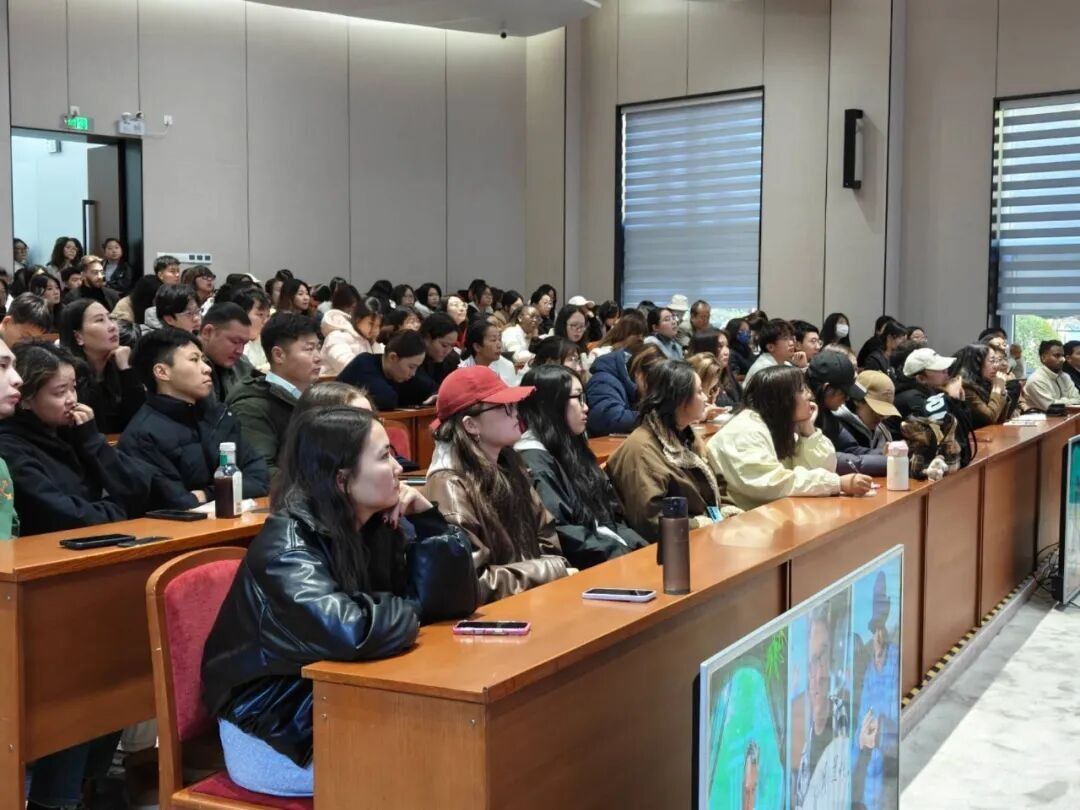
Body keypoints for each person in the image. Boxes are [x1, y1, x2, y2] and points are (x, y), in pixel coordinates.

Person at [202, 406, 476, 797]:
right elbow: (351, 632)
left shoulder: (374, 525)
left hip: (339, 703)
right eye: (384, 457)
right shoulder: (286, 547)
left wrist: (428, 519)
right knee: (444, 760)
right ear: (342, 479)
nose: (398, 468)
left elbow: (454, 602)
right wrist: (414, 607)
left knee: (470, 742)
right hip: (275, 730)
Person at [425, 366, 571, 602]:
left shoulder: (510, 463)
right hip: (494, 615)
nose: (516, 413)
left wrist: (549, 569)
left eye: (514, 404)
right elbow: (473, 581)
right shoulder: (448, 486)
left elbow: (546, 539)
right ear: (471, 425)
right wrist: (550, 570)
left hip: (531, 599)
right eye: (504, 407)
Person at [0, 341, 151, 533]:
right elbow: (60, 514)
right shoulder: (9, 446)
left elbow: (137, 489)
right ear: (26, 399)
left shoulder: (75, 431)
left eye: (73, 388)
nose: (72, 399)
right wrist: (119, 510)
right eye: (60, 392)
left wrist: (93, 441)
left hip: (104, 533)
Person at [120, 328, 270, 509]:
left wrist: (208, 493)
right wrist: (228, 491)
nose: (207, 369)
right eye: (194, 360)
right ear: (162, 372)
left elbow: (259, 478)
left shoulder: (219, 416)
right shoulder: (142, 436)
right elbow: (176, 501)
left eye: (203, 360)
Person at [516, 365, 648, 567]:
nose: (586, 407)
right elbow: (563, 533)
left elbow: (608, 518)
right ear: (551, 404)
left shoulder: (571, 448)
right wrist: (622, 553)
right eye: (578, 398)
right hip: (584, 566)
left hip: (607, 551)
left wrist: (638, 546)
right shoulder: (534, 461)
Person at [707, 365, 871, 510]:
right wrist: (837, 483)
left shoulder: (781, 426)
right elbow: (772, 484)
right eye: (801, 390)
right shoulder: (745, 430)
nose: (809, 395)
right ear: (782, 399)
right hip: (741, 522)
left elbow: (823, 469)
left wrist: (808, 428)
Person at [606, 360, 734, 541]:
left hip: (704, 534)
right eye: (699, 392)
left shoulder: (687, 436)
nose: (706, 398)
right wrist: (699, 524)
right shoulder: (642, 450)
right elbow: (651, 522)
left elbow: (718, 488)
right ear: (681, 400)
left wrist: (727, 514)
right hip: (675, 545)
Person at [227, 314, 322, 479]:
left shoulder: (314, 396)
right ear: (279, 355)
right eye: (309, 349)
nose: (318, 357)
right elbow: (262, 472)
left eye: (318, 348)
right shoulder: (251, 406)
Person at [792, 604, 851, 809]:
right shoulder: (800, 748)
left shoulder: (846, 718)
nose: (819, 675)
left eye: (823, 658)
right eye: (812, 663)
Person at [59, 300, 146, 433]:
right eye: (100, 320)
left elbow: (140, 421)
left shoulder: (120, 366)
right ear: (78, 337)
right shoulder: (68, 380)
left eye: (110, 318)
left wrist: (126, 369)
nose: (113, 326)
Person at [808, 352, 887, 476]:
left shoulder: (827, 415)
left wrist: (884, 453)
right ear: (826, 389)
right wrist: (889, 462)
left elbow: (850, 449)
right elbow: (832, 460)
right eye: (844, 393)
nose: (847, 399)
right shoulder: (804, 416)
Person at [337, 330, 433, 410]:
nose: (413, 373)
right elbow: (387, 400)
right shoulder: (363, 364)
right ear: (393, 357)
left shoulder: (402, 374)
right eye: (411, 367)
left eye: (417, 367)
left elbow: (429, 388)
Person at [584, 342, 664, 437]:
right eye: (652, 383)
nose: (654, 390)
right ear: (638, 373)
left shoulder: (636, 386)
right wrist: (657, 419)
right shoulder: (603, 380)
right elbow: (608, 417)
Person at [199, 303, 255, 403]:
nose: (239, 351)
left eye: (244, 344)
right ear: (207, 332)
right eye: (235, 341)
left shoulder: (242, 364)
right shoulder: (186, 367)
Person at [321, 288, 382, 375]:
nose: (374, 330)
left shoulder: (369, 340)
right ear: (358, 319)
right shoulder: (336, 336)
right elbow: (350, 367)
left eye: (377, 325)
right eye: (370, 324)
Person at [836, 370, 900, 452]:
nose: (881, 416)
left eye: (885, 412)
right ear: (857, 400)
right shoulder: (836, 428)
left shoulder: (883, 433)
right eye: (876, 409)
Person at [954, 343, 1011, 428]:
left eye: (996, 361)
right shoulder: (965, 387)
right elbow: (989, 418)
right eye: (992, 361)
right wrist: (997, 390)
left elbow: (1000, 418)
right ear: (976, 364)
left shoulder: (986, 383)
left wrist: (1002, 391)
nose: (996, 366)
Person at [113, 254, 180, 324]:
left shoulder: (174, 291)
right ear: (160, 275)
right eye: (172, 271)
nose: (177, 275)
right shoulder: (150, 287)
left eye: (178, 271)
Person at [1021, 339, 1080, 411]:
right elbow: (1051, 407)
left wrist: (1058, 401)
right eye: (1057, 356)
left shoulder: (1065, 376)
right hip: (1041, 417)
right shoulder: (1036, 380)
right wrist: (1068, 400)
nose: (1062, 359)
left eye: (1062, 356)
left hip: (1066, 416)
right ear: (1043, 358)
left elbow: (1078, 399)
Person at [691, 328, 741, 408]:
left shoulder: (726, 371)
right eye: (720, 346)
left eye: (727, 346)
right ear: (705, 349)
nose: (727, 352)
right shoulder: (695, 381)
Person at [459, 319, 519, 386]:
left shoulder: (505, 365)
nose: (499, 345)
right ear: (477, 347)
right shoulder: (462, 373)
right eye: (493, 340)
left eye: (499, 339)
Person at [744, 319, 804, 385]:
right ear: (770, 347)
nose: (791, 343)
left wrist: (801, 366)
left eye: (791, 338)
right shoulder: (765, 369)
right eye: (785, 339)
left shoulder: (785, 363)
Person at [229, 285, 272, 373]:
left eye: (267, 316)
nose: (266, 321)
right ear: (241, 314)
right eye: (260, 315)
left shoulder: (267, 339)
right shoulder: (231, 345)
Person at [416, 312, 461, 390]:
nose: (448, 351)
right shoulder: (411, 358)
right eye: (444, 345)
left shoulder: (452, 360)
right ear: (427, 338)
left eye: (452, 346)